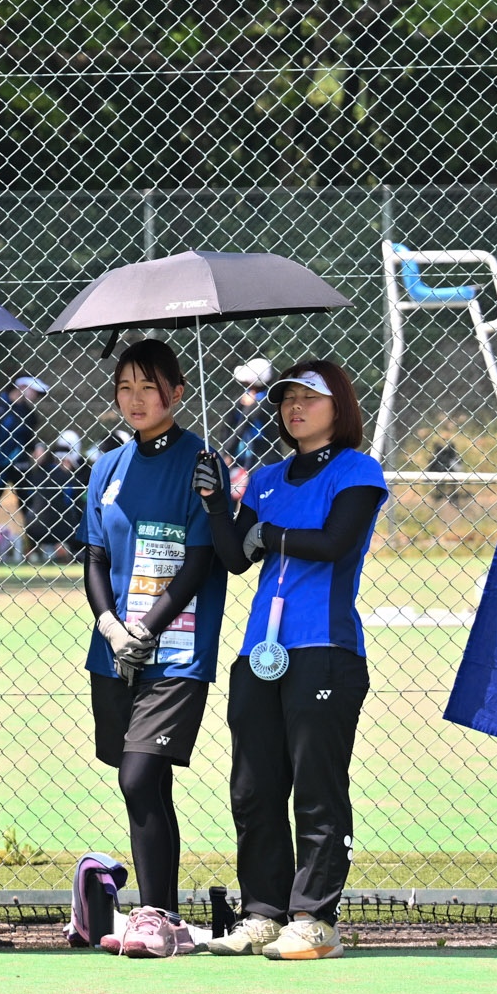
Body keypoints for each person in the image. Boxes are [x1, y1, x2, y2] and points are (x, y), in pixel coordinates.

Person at [208, 360, 384, 961]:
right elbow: (235, 558)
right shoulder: (264, 479)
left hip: (325, 651)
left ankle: (315, 920)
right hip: (259, 654)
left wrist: (270, 534)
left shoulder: (357, 470)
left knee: (316, 788)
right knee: (253, 789)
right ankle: (263, 912)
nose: (295, 407)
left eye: (310, 397)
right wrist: (215, 502)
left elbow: (335, 543)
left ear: (339, 406)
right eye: (286, 399)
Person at [79, 340, 230, 958]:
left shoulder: (202, 463)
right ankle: (159, 913)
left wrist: (148, 629)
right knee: (140, 781)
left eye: (149, 386)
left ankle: (155, 914)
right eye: (125, 387)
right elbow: (94, 556)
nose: (135, 399)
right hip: (114, 650)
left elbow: (201, 560)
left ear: (178, 392)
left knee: (141, 775)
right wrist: (111, 626)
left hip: (175, 651)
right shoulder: (107, 466)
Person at [0, 374, 47, 493]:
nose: (36, 395)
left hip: (20, 462)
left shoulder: (29, 414)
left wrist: (37, 447)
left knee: (28, 497)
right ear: (22, 386)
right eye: (34, 391)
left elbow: (29, 438)